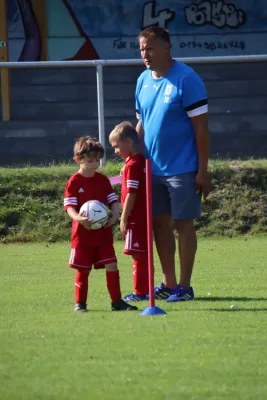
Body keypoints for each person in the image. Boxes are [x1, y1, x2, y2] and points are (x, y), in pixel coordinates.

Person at [135, 26, 212, 302]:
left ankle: (185, 286)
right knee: (159, 225)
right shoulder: (142, 80)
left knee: (183, 225)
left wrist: (202, 170)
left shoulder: (187, 79)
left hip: (183, 168)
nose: (145, 54)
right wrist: (135, 161)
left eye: (150, 48)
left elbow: (201, 129)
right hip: (151, 169)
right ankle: (167, 283)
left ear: (167, 47)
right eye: (142, 49)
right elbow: (142, 123)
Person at [63, 136, 138, 312]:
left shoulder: (103, 180)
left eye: (97, 160)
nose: (95, 164)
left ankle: (117, 302)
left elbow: (112, 200)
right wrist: (78, 218)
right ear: (78, 160)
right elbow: (69, 206)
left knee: (112, 265)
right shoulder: (73, 182)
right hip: (82, 236)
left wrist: (115, 214)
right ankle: (80, 303)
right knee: (83, 270)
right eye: (90, 160)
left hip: (103, 234)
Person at [109, 121, 149, 302]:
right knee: (142, 254)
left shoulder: (133, 165)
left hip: (135, 217)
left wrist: (123, 218)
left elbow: (132, 193)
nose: (115, 151)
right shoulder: (137, 161)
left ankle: (140, 292)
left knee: (138, 255)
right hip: (142, 216)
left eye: (117, 146)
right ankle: (145, 290)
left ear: (129, 142)